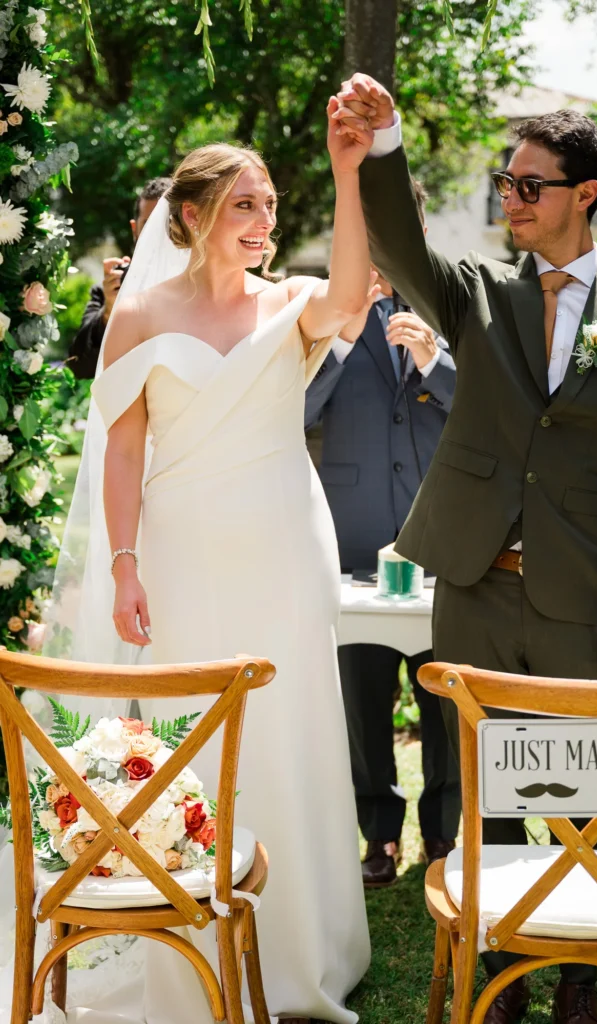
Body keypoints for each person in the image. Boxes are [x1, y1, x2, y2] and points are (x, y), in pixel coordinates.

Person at [334, 73, 597, 1024]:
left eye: (532, 183)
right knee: (490, 797)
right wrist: (388, 137)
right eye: (506, 180)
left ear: (586, 194)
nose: (511, 198)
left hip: (583, 595)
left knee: (584, 794)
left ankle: (581, 972)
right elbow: (400, 241)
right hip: (475, 586)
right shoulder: (477, 293)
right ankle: (508, 972)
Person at [33, 101, 374, 1024]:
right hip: (181, 553)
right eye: (242, 208)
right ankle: (189, 944)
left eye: (268, 206)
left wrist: (348, 170)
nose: (263, 225)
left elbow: (351, 299)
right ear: (191, 218)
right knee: (196, 739)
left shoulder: (293, 301)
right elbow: (121, 448)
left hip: (282, 549)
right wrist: (128, 565)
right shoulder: (138, 313)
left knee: (291, 728)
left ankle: (305, 952)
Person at [304, 180, 460, 887]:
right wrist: (338, 341)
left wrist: (434, 360)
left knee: (447, 699)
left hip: (443, 541)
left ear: (417, 229)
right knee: (362, 697)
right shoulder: (320, 307)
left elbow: (493, 410)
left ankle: (444, 834)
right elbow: (295, 407)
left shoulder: (459, 301)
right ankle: (378, 834)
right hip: (354, 539)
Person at [68, 176, 172, 379]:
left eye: (166, 223)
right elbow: (80, 367)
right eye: (149, 225)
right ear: (135, 229)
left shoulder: (206, 283)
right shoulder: (112, 287)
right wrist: (109, 312)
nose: (158, 234)